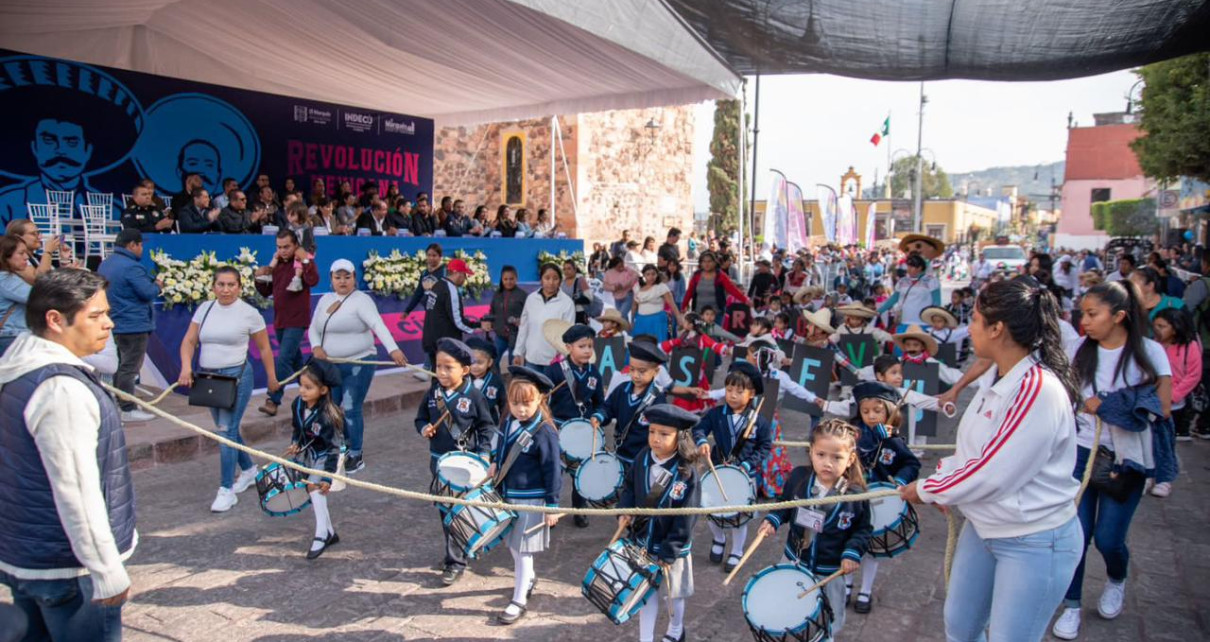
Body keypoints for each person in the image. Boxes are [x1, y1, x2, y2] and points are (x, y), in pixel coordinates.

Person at [895, 277, 1083, 642]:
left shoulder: (1036, 389)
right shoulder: (997, 378)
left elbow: (994, 471)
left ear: (997, 329)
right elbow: (974, 454)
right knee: (961, 626)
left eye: (977, 319)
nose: (970, 327)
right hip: (983, 528)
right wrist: (948, 482)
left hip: (1033, 539)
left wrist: (930, 488)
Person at [0, 269, 137, 640]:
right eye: (95, 316)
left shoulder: (21, 365)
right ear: (55, 320)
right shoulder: (61, 389)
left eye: (107, 313)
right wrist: (106, 571)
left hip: (29, 555)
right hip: (68, 569)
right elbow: (76, 489)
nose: (108, 324)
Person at [1050, 279, 1172, 639]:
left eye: (1092, 314)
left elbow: (1161, 406)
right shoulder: (1077, 351)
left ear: (1118, 316)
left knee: (1108, 538)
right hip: (1079, 453)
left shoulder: (1149, 353)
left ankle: (1116, 578)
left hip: (1126, 459)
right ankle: (1071, 605)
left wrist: (1110, 405)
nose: (1083, 320)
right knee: (1076, 535)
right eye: (1082, 313)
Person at [178, 266, 281, 511]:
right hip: (208, 379)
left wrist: (272, 379)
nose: (226, 290)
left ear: (239, 287)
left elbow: (265, 348)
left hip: (236, 377)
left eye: (231, 285)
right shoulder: (205, 309)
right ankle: (248, 469)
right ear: (213, 286)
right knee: (226, 430)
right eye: (221, 284)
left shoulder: (249, 313)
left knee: (226, 431)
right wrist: (185, 367)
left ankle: (226, 490)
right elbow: (189, 341)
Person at [759, 419, 872, 638]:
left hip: (829, 571)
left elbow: (863, 530)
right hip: (793, 561)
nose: (827, 463)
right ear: (811, 452)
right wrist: (773, 519)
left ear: (850, 459)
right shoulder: (799, 477)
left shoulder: (855, 495)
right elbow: (784, 505)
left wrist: (852, 553)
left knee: (827, 620)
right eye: (821, 455)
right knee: (786, 611)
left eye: (836, 457)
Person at [308, 259, 407, 474]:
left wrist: (394, 350)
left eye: (347, 277)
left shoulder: (362, 301)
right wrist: (316, 346)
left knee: (351, 408)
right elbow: (313, 328)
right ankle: (337, 446)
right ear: (331, 280)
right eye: (338, 277)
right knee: (331, 407)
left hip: (359, 362)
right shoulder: (325, 299)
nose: (342, 281)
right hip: (330, 365)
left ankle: (355, 453)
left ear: (354, 278)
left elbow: (377, 325)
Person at [616, 404, 701, 642]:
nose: (655, 438)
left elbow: (688, 515)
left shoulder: (686, 472)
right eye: (652, 431)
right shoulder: (642, 457)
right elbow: (630, 488)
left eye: (664, 434)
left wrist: (671, 549)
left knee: (674, 595)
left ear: (680, 437)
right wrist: (625, 511)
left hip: (673, 546)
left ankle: (675, 629)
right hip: (644, 541)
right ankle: (646, 638)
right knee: (646, 593)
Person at [415, 338, 495, 586]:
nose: (441, 372)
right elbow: (419, 418)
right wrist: (424, 428)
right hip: (439, 462)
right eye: (438, 366)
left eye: (448, 367)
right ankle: (456, 554)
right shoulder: (433, 393)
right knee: (444, 512)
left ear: (465, 370)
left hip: (464, 464)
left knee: (460, 511)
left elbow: (487, 427)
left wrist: (484, 453)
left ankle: (456, 561)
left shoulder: (473, 396)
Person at [837, 381, 920, 613]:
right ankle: (847, 585)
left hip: (880, 500)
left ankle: (865, 590)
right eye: (866, 411)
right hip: (853, 499)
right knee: (849, 542)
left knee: (872, 549)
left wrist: (900, 482)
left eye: (877, 411)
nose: (871, 416)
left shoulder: (894, 439)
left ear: (889, 411)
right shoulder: (854, 436)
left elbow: (911, 463)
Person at [489, 366, 563, 625]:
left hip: (532, 498)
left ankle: (519, 597)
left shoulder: (545, 431)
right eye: (514, 402)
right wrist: (493, 462)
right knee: (513, 544)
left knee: (522, 550)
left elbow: (554, 470)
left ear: (540, 399)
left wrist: (552, 504)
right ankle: (529, 579)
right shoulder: (508, 420)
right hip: (507, 495)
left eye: (526, 403)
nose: (520, 409)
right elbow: (499, 445)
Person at [693, 361, 773, 572]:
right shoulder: (716, 414)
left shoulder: (760, 421)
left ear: (752, 393)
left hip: (745, 474)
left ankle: (737, 550)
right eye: (729, 390)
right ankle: (718, 539)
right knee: (712, 508)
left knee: (740, 515)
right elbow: (700, 428)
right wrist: (701, 441)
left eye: (739, 391)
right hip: (718, 468)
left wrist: (749, 464)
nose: (733, 395)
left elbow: (765, 447)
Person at [96, 229, 162, 423]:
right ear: (132, 245)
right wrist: (158, 285)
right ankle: (127, 408)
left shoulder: (105, 263)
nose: (142, 249)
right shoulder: (132, 267)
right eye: (140, 245)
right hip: (133, 324)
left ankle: (120, 401)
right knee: (129, 368)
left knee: (119, 366)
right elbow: (147, 292)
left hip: (114, 323)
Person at [543, 323, 605, 527]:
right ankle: (551, 510)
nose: (587, 350)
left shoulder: (594, 373)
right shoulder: (554, 371)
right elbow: (542, 400)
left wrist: (597, 416)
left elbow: (600, 403)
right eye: (582, 346)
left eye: (590, 346)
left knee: (581, 472)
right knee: (555, 473)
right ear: (569, 347)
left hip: (584, 430)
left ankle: (580, 509)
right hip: (559, 429)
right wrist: (548, 421)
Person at [283, 361, 346, 559]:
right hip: (310, 454)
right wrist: (296, 443)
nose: (302, 390)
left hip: (327, 455)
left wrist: (327, 478)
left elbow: (333, 449)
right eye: (300, 385)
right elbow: (297, 429)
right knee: (313, 493)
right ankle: (330, 532)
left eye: (308, 387)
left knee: (315, 489)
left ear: (323, 389)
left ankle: (321, 535)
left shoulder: (328, 416)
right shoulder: (298, 404)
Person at [255, 230, 318, 417]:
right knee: (296, 361)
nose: (282, 251)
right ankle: (315, 393)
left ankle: (273, 399)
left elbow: (313, 279)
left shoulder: (302, 263)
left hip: (297, 320)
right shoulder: (277, 266)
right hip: (280, 320)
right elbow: (265, 292)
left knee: (283, 358)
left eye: (286, 247)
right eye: (279, 247)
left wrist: (306, 260)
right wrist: (259, 277)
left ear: (295, 246)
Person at [591, 341, 669, 468]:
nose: (635, 375)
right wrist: (599, 416)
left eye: (642, 371)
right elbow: (608, 407)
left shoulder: (658, 399)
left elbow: (661, 431)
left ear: (656, 371)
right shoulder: (622, 389)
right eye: (632, 369)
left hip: (643, 460)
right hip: (620, 454)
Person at [1151, 307, 1200, 451]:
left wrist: (1173, 395)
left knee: (1167, 440)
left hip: (1175, 403)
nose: (1157, 330)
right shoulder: (1153, 345)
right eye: (1155, 325)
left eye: (1162, 326)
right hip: (1153, 399)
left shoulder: (1190, 346)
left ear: (1175, 328)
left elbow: (1193, 375)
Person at [512, 264, 576, 369]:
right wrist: (518, 352)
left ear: (560, 281)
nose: (551, 282)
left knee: (552, 386)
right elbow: (524, 327)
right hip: (532, 358)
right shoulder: (531, 299)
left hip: (554, 361)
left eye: (555, 278)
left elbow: (568, 333)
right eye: (547, 278)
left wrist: (563, 356)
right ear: (541, 280)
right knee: (531, 385)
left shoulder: (567, 303)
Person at [420, 258, 478, 372]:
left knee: (437, 376)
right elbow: (458, 321)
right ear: (457, 273)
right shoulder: (451, 289)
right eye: (464, 275)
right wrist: (476, 327)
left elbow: (426, 304)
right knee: (448, 376)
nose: (465, 279)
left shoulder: (437, 284)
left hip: (430, 340)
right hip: (445, 344)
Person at [877, 254, 941, 330]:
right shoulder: (902, 281)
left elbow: (937, 302)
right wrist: (879, 311)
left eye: (912, 267)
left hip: (923, 323)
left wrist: (935, 320)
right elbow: (894, 299)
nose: (908, 269)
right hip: (904, 322)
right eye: (908, 266)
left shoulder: (931, 281)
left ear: (919, 268)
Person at [682, 251, 748, 314]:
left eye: (709, 261)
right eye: (704, 261)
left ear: (714, 263)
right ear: (701, 263)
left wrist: (745, 300)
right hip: (699, 312)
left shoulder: (720, 275)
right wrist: (683, 306)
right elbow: (689, 292)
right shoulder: (696, 275)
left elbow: (732, 290)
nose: (706, 264)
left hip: (717, 313)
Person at [632, 264, 684, 343]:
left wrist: (678, 317)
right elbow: (634, 305)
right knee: (639, 343)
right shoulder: (638, 288)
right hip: (641, 320)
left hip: (657, 321)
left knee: (657, 343)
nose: (651, 277)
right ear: (644, 276)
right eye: (648, 274)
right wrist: (632, 320)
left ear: (657, 274)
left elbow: (672, 304)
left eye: (653, 274)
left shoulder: (661, 287)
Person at [0, 237, 34, 356]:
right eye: (21, 253)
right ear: (5, 256)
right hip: (12, 337)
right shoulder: (5, 278)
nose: (26, 257)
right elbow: (37, 297)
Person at [485, 265, 526, 364]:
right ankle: (497, 379)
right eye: (505, 279)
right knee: (493, 362)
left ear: (516, 278)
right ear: (502, 279)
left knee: (514, 364)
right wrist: (489, 322)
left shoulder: (522, 295)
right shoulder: (497, 294)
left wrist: (522, 321)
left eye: (511, 279)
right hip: (500, 336)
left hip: (516, 336)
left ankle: (514, 379)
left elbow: (529, 314)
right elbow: (492, 310)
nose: (508, 281)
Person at [466, 336, 505, 425]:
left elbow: (503, 403)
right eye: (471, 362)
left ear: (489, 362)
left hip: (489, 424)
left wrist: (504, 422)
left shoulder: (496, 381)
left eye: (480, 362)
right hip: (466, 425)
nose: (475, 366)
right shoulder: (461, 379)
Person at [561, 259, 594, 325]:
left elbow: (589, 297)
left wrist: (575, 299)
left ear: (575, 269)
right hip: (566, 312)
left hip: (579, 313)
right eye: (564, 269)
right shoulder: (562, 282)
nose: (566, 271)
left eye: (569, 269)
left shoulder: (580, 280)